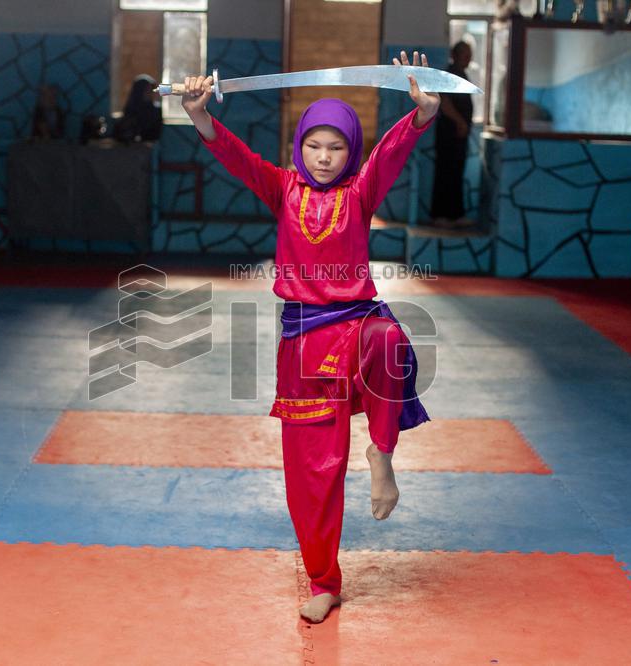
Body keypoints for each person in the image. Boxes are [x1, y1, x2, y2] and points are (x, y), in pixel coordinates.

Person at [180, 50, 437, 624]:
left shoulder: (361, 192)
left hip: (356, 325)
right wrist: (201, 116)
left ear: (351, 150)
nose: (325, 158)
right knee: (312, 475)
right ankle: (324, 581)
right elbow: (237, 158)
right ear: (300, 147)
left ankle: (382, 452)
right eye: (315, 146)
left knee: (391, 341)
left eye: (337, 147)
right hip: (303, 345)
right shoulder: (283, 188)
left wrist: (419, 117)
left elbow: (390, 155)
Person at [429, 41, 475, 229]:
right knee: (446, 172)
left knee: (456, 173)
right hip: (449, 133)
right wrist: (460, 122)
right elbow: (444, 102)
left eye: (469, 55)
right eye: (465, 54)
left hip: (457, 134)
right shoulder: (450, 74)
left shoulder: (461, 74)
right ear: (455, 55)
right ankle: (441, 214)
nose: (469, 58)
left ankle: (455, 214)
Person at [114, 74, 163, 143]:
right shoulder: (131, 110)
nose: (150, 93)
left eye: (151, 90)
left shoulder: (157, 111)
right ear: (139, 91)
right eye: (147, 90)